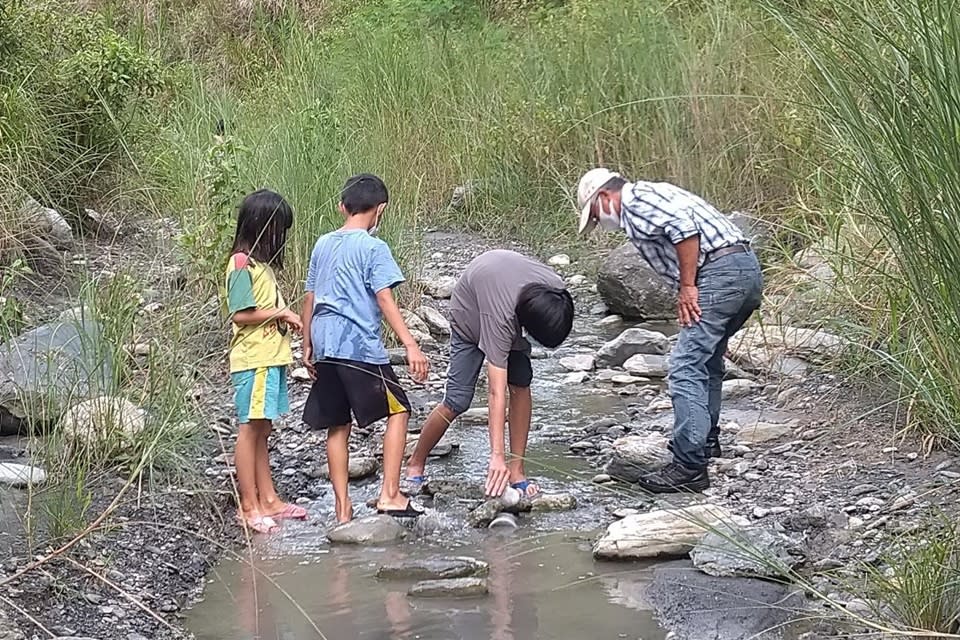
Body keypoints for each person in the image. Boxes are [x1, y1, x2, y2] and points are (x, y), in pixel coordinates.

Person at [575, 168, 763, 494]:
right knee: (707, 361)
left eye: (594, 216)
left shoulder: (636, 201)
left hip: (719, 274)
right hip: (743, 269)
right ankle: (705, 442)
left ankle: (689, 465)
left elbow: (684, 229)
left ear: (604, 197)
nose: (599, 225)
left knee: (684, 367)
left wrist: (689, 287)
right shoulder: (653, 194)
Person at [300, 174, 429, 524]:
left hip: (325, 345)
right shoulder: (375, 247)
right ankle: (390, 493)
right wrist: (411, 344)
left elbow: (310, 296)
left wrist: (306, 343)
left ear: (342, 207)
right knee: (399, 409)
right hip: (358, 347)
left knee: (337, 425)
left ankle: (342, 509)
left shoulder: (322, 243)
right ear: (380, 209)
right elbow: (383, 297)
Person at [404, 250, 575, 499]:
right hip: (469, 314)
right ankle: (416, 462)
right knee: (457, 400)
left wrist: (508, 462)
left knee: (521, 383)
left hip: (509, 298)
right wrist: (496, 456)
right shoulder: (500, 318)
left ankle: (517, 471)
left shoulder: (555, 291)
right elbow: (496, 392)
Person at [225, 189, 306, 534]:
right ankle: (249, 505)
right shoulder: (242, 262)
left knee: (263, 427)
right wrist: (282, 312)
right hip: (253, 359)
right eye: (278, 230)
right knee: (249, 428)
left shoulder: (260, 266)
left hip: (270, 357)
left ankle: (269, 498)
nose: (280, 238)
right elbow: (241, 314)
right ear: (262, 226)